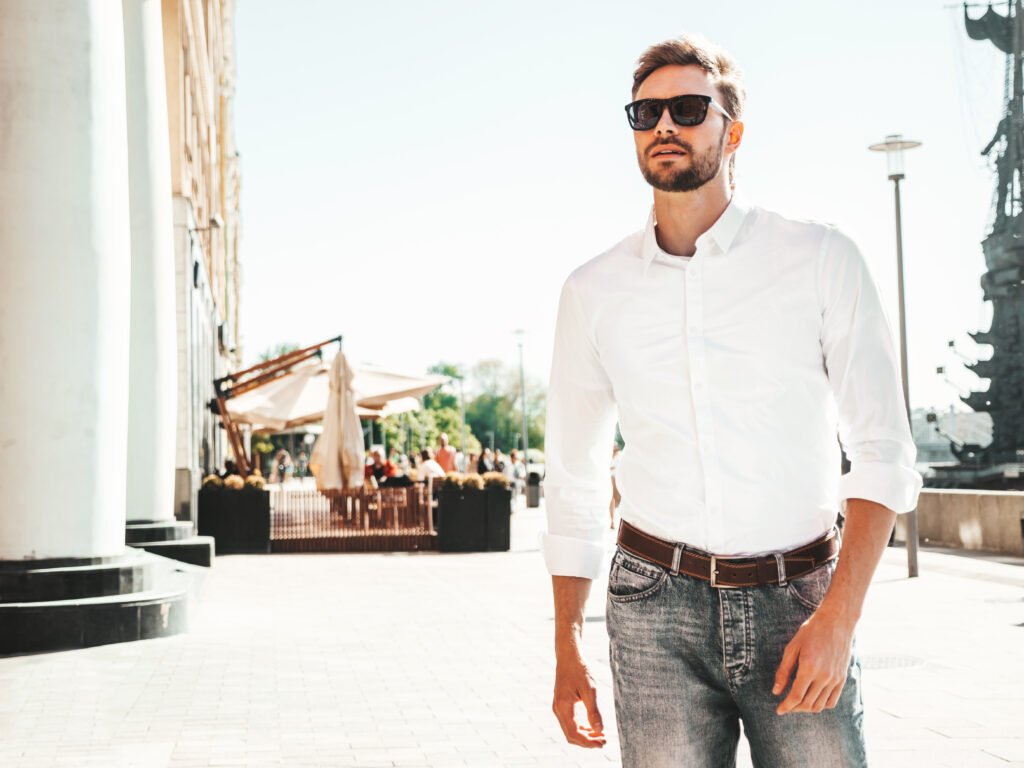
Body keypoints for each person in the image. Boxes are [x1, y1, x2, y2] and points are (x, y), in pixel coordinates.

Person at [543, 35, 922, 767]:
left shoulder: (819, 259)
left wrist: (839, 619)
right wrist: (568, 643)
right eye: (645, 112)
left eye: (687, 109)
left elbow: (883, 451)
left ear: (733, 131)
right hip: (654, 609)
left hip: (800, 597)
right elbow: (574, 474)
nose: (663, 127)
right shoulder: (592, 292)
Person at [609, 443, 622, 530]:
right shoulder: (609, 454)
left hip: (615, 480)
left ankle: (613, 521)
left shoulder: (619, 455)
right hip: (609, 479)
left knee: (615, 501)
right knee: (612, 501)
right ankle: (612, 521)